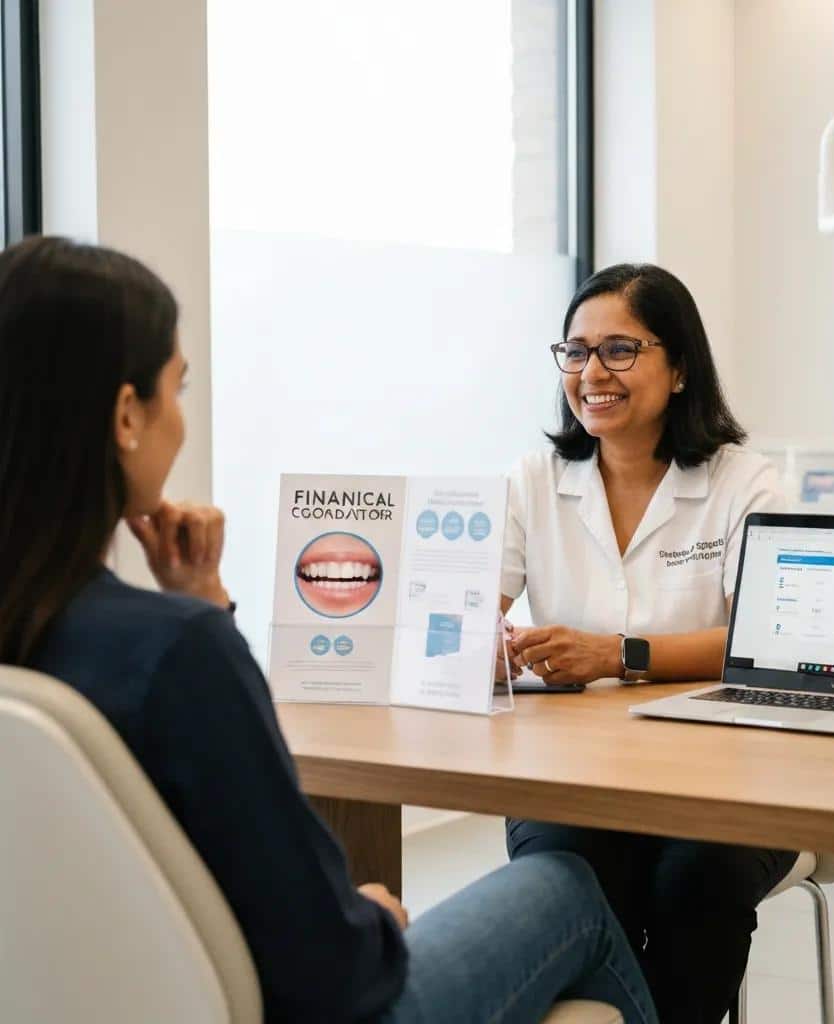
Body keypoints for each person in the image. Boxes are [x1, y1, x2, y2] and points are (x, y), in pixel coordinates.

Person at [0, 236, 659, 1024]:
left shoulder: (72, 642)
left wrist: (202, 603)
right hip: (321, 1008)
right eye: (179, 388)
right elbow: (330, 968)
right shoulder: (174, 651)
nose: (182, 419)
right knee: (567, 888)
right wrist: (370, 917)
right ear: (126, 417)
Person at [501, 264, 797, 1024]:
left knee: (696, 879)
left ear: (680, 369)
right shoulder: (533, 480)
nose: (592, 372)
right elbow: (470, 617)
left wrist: (619, 655)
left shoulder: (743, 483)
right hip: (576, 773)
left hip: (731, 775)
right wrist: (486, 647)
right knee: (565, 877)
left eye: (620, 350)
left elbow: (768, 642)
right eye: (576, 351)